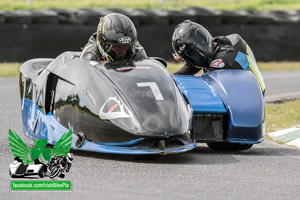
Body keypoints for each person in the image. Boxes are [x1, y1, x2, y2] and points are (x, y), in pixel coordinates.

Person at [172, 20, 265, 94]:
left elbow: (206, 82)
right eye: (190, 56)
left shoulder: (226, 54)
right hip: (235, 91)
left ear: (201, 42)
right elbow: (182, 74)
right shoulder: (213, 46)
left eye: (195, 52)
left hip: (253, 94)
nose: (195, 58)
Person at [80, 13, 147, 62]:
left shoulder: (137, 51)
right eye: (117, 47)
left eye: (126, 47)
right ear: (103, 43)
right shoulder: (90, 56)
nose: (122, 52)